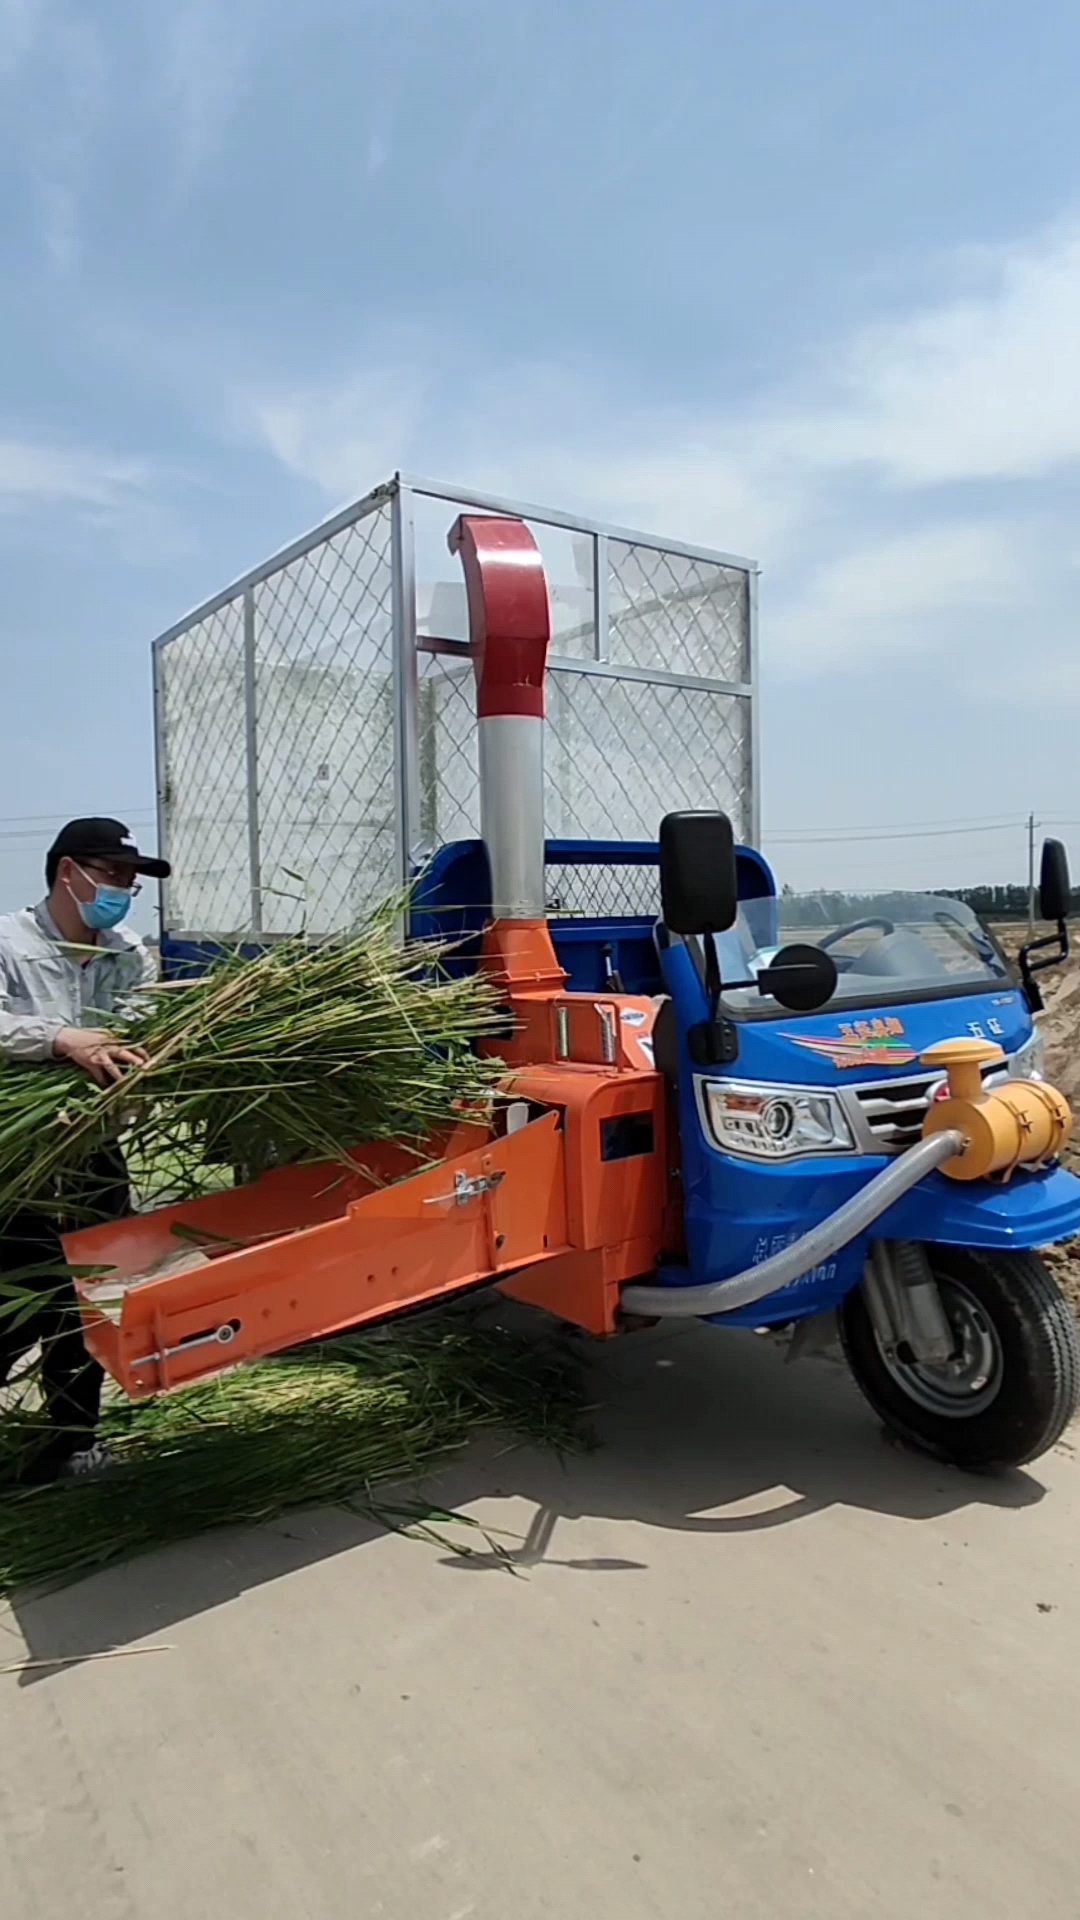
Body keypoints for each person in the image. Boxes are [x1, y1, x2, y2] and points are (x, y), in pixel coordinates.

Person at [0, 818, 170, 1481]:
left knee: (92, 1302)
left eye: (132, 881)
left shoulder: (129, 954)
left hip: (94, 1153)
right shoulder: (8, 943)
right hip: (18, 1157)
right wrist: (60, 1039)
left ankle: (71, 1443)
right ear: (68, 872)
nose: (125, 891)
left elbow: (138, 1037)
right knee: (22, 1300)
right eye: (114, 876)